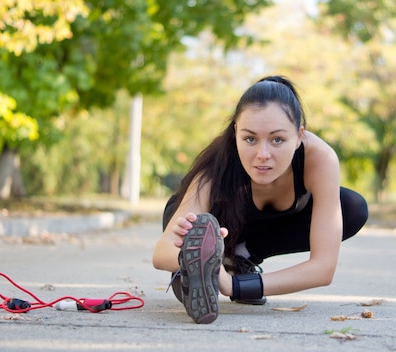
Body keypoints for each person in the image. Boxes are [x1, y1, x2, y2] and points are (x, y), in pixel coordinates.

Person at [152, 75, 368, 324]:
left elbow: (323, 268)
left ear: (299, 136)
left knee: (352, 207)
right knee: (190, 268)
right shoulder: (217, 165)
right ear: (236, 132)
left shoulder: (320, 159)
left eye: (277, 139)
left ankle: (240, 257)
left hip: (252, 235)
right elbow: (161, 251)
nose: (262, 155)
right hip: (213, 225)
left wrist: (234, 285)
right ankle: (206, 263)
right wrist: (196, 260)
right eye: (250, 139)